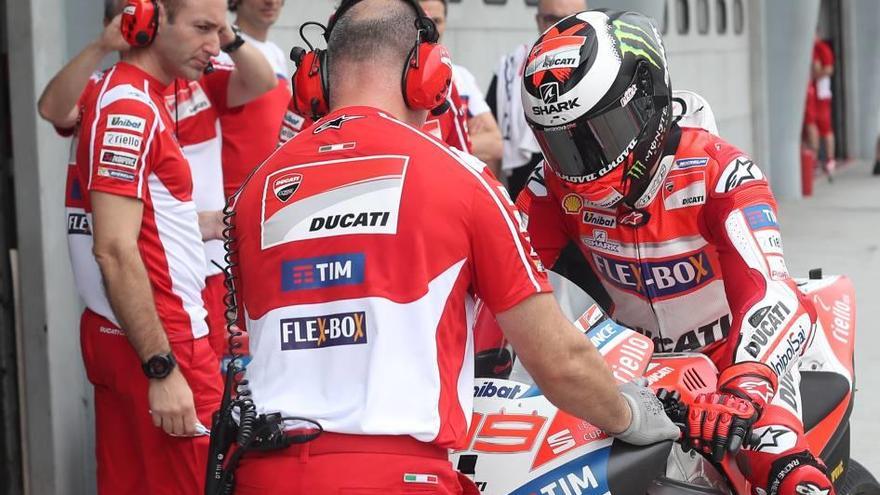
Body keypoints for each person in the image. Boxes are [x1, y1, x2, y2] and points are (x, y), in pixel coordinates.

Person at [225, 1, 678, 493]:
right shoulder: (460, 179)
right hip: (397, 475)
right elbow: (558, 360)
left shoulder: (255, 189)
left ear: (317, 77)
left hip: (262, 473)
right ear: (428, 76)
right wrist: (630, 412)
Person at [517, 10, 835, 495]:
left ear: (647, 100)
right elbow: (508, 282)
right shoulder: (549, 188)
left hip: (736, 361)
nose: (583, 163)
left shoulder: (721, 172)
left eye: (599, 134)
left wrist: (743, 389)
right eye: (564, 144)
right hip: (627, 373)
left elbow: (773, 290)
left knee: (787, 471)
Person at [65, 0, 255, 491]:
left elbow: (137, 224)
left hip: (122, 326)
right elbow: (112, 247)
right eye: (201, 28)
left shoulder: (118, 94)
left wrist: (198, 225)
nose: (215, 45)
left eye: (220, 30)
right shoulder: (129, 107)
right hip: (164, 335)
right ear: (147, 22)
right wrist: (162, 366)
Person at [486, 0, 587, 198]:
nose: (560, 27)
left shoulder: (604, 66)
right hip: (526, 191)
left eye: (570, 19)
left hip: (588, 190)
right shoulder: (510, 68)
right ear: (538, 20)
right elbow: (492, 136)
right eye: (551, 19)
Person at [217, 0, 292, 198]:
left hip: (270, 188)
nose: (271, 2)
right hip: (236, 193)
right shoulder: (222, 50)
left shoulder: (276, 52)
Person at [419, 0, 503, 176]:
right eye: (424, 21)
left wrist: (435, 143)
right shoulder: (392, 78)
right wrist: (456, 138)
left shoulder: (461, 77)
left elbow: (495, 144)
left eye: (437, 21)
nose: (430, 29)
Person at [805, 34, 836, 180]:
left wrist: (815, 75)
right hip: (813, 94)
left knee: (824, 128)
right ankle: (815, 160)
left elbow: (828, 69)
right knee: (812, 126)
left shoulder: (822, 48)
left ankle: (829, 159)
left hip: (821, 95)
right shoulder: (810, 49)